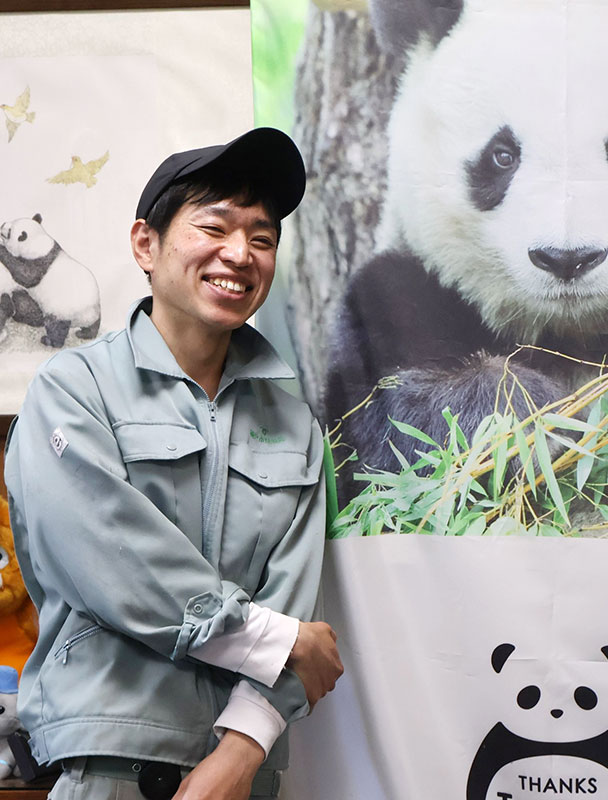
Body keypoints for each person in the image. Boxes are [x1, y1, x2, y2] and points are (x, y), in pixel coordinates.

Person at [4, 128, 343, 800]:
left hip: (244, 777)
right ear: (145, 245)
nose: (240, 254)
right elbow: (116, 563)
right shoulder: (72, 390)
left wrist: (241, 752)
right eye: (214, 226)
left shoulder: (294, 425)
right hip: (109, 764)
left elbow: (295, 596)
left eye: (263, 237)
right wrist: (278, 640)